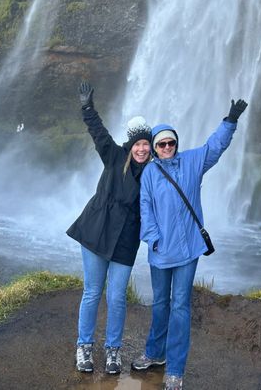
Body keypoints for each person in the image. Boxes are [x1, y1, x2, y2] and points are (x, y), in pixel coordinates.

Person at [132, 98, 248, 390]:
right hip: (160, 251)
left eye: (171, 143)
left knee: (180, 306)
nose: (167, 147)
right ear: (155, 150)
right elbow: (145, 210)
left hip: (187, 253)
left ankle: (175, 369)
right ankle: (154, 354)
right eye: (162, 145)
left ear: (176, 143)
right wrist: (153, 239)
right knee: (160, 304)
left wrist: (230, 120)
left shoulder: (193, 162)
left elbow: (214, 146)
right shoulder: (150, 173)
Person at [66, 81, 152, 375]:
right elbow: (98, 134)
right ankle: (84, 346)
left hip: (126, 241)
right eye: (138, 144)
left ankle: (113, 351)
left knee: (116, 297)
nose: (142, 148)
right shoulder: (115, 156)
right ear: (131, 145)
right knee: (92, 292)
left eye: (146, 144)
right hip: (96, 231)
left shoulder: (154, 175)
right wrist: (87, 108)